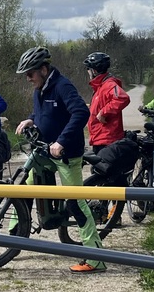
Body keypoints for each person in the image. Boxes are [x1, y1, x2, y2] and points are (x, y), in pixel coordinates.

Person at [13, 46, 104, 273]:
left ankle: (96, 258)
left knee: (75, 202)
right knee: (22, 189)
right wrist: (30, 120)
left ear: (43, 70)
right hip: (44, 150)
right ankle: (13, 240)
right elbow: (43, 114)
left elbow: (80, 113)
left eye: (30, 73)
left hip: (66, 154)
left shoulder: (62, 86)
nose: (27, 78)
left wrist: (61, 141)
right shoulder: (39, 89)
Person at [83, 51, 135, 226]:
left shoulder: (108, 84)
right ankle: (106, 214)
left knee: (109, 178)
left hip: (108, 139)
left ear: (94, 70)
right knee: (104, 177)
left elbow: (123, 98)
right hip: (99, 138)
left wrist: (104, 112)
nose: (87, 72)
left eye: (89, 69)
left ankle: (113, 216)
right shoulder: (99, 87)